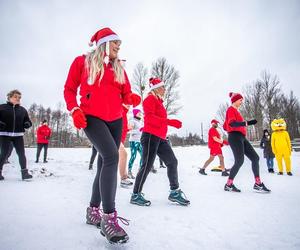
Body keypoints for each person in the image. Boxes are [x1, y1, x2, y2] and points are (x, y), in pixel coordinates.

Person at [64, 27, 140, 244]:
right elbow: (69, 89)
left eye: (120, 44)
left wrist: (131, 98)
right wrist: (74, 109)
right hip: (92, 117)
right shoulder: (82, 62)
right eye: (115, 42)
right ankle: (109, 218)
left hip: (115, 119)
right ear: (104, 43)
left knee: (103, 163)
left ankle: (92, 210)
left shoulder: (119, 68)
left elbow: (126, 93)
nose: (119, 46)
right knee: (111, 157)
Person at [130, 78, 190, 206]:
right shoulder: (149, 99)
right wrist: (170, 122)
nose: (165, 89)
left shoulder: (158, 101)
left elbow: (158, 118)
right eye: (163, 87)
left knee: (172, 161)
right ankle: (135, 195)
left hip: (160, 137)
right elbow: (150, 118)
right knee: (146, 165)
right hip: (150, 136)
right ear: (156, 88)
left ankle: (174, 191)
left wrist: (168, 124)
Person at [223, 92, 270, 193]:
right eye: (240, 100)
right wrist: (247, 123)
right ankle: (228, 184)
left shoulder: (236, 111)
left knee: (255, 158)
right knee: (239, 161)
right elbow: (231, 123)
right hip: (235, 137)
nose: (241, 102)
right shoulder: (231, 110)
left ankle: (258, 184)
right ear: (235, 100)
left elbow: (225, 125)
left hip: (241, 137)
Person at [0, 89, 33, 181]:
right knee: (4, 154)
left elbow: (28, 121)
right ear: (9, 97)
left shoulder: (22, 110)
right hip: (5, 134)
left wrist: (27, 124)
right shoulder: (2, 107)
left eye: (19, 97)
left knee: (21, 154)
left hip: (18, 135)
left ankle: (24, 173)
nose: (18, 99)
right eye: (15, 97)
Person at [119, 104, 133, 187]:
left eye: (130, 104)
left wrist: (128, 128)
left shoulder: (124, 113)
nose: (129, 105)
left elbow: (122, 126)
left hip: (121, 139)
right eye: (127, 102)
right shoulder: (120, 110)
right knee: (124, 154)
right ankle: (123, 178)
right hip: (116, 138)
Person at [128, 108, 143, 179]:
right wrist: (139, 130)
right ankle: (129, 172)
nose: (140, 114)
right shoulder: (132, 121)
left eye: (141, 113)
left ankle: (140, 171)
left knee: (143, 156)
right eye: (139, 113)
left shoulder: (140, 122)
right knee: (133, 156)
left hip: (140, 141)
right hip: (133, 141)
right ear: (135, 113)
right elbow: (129, 131)